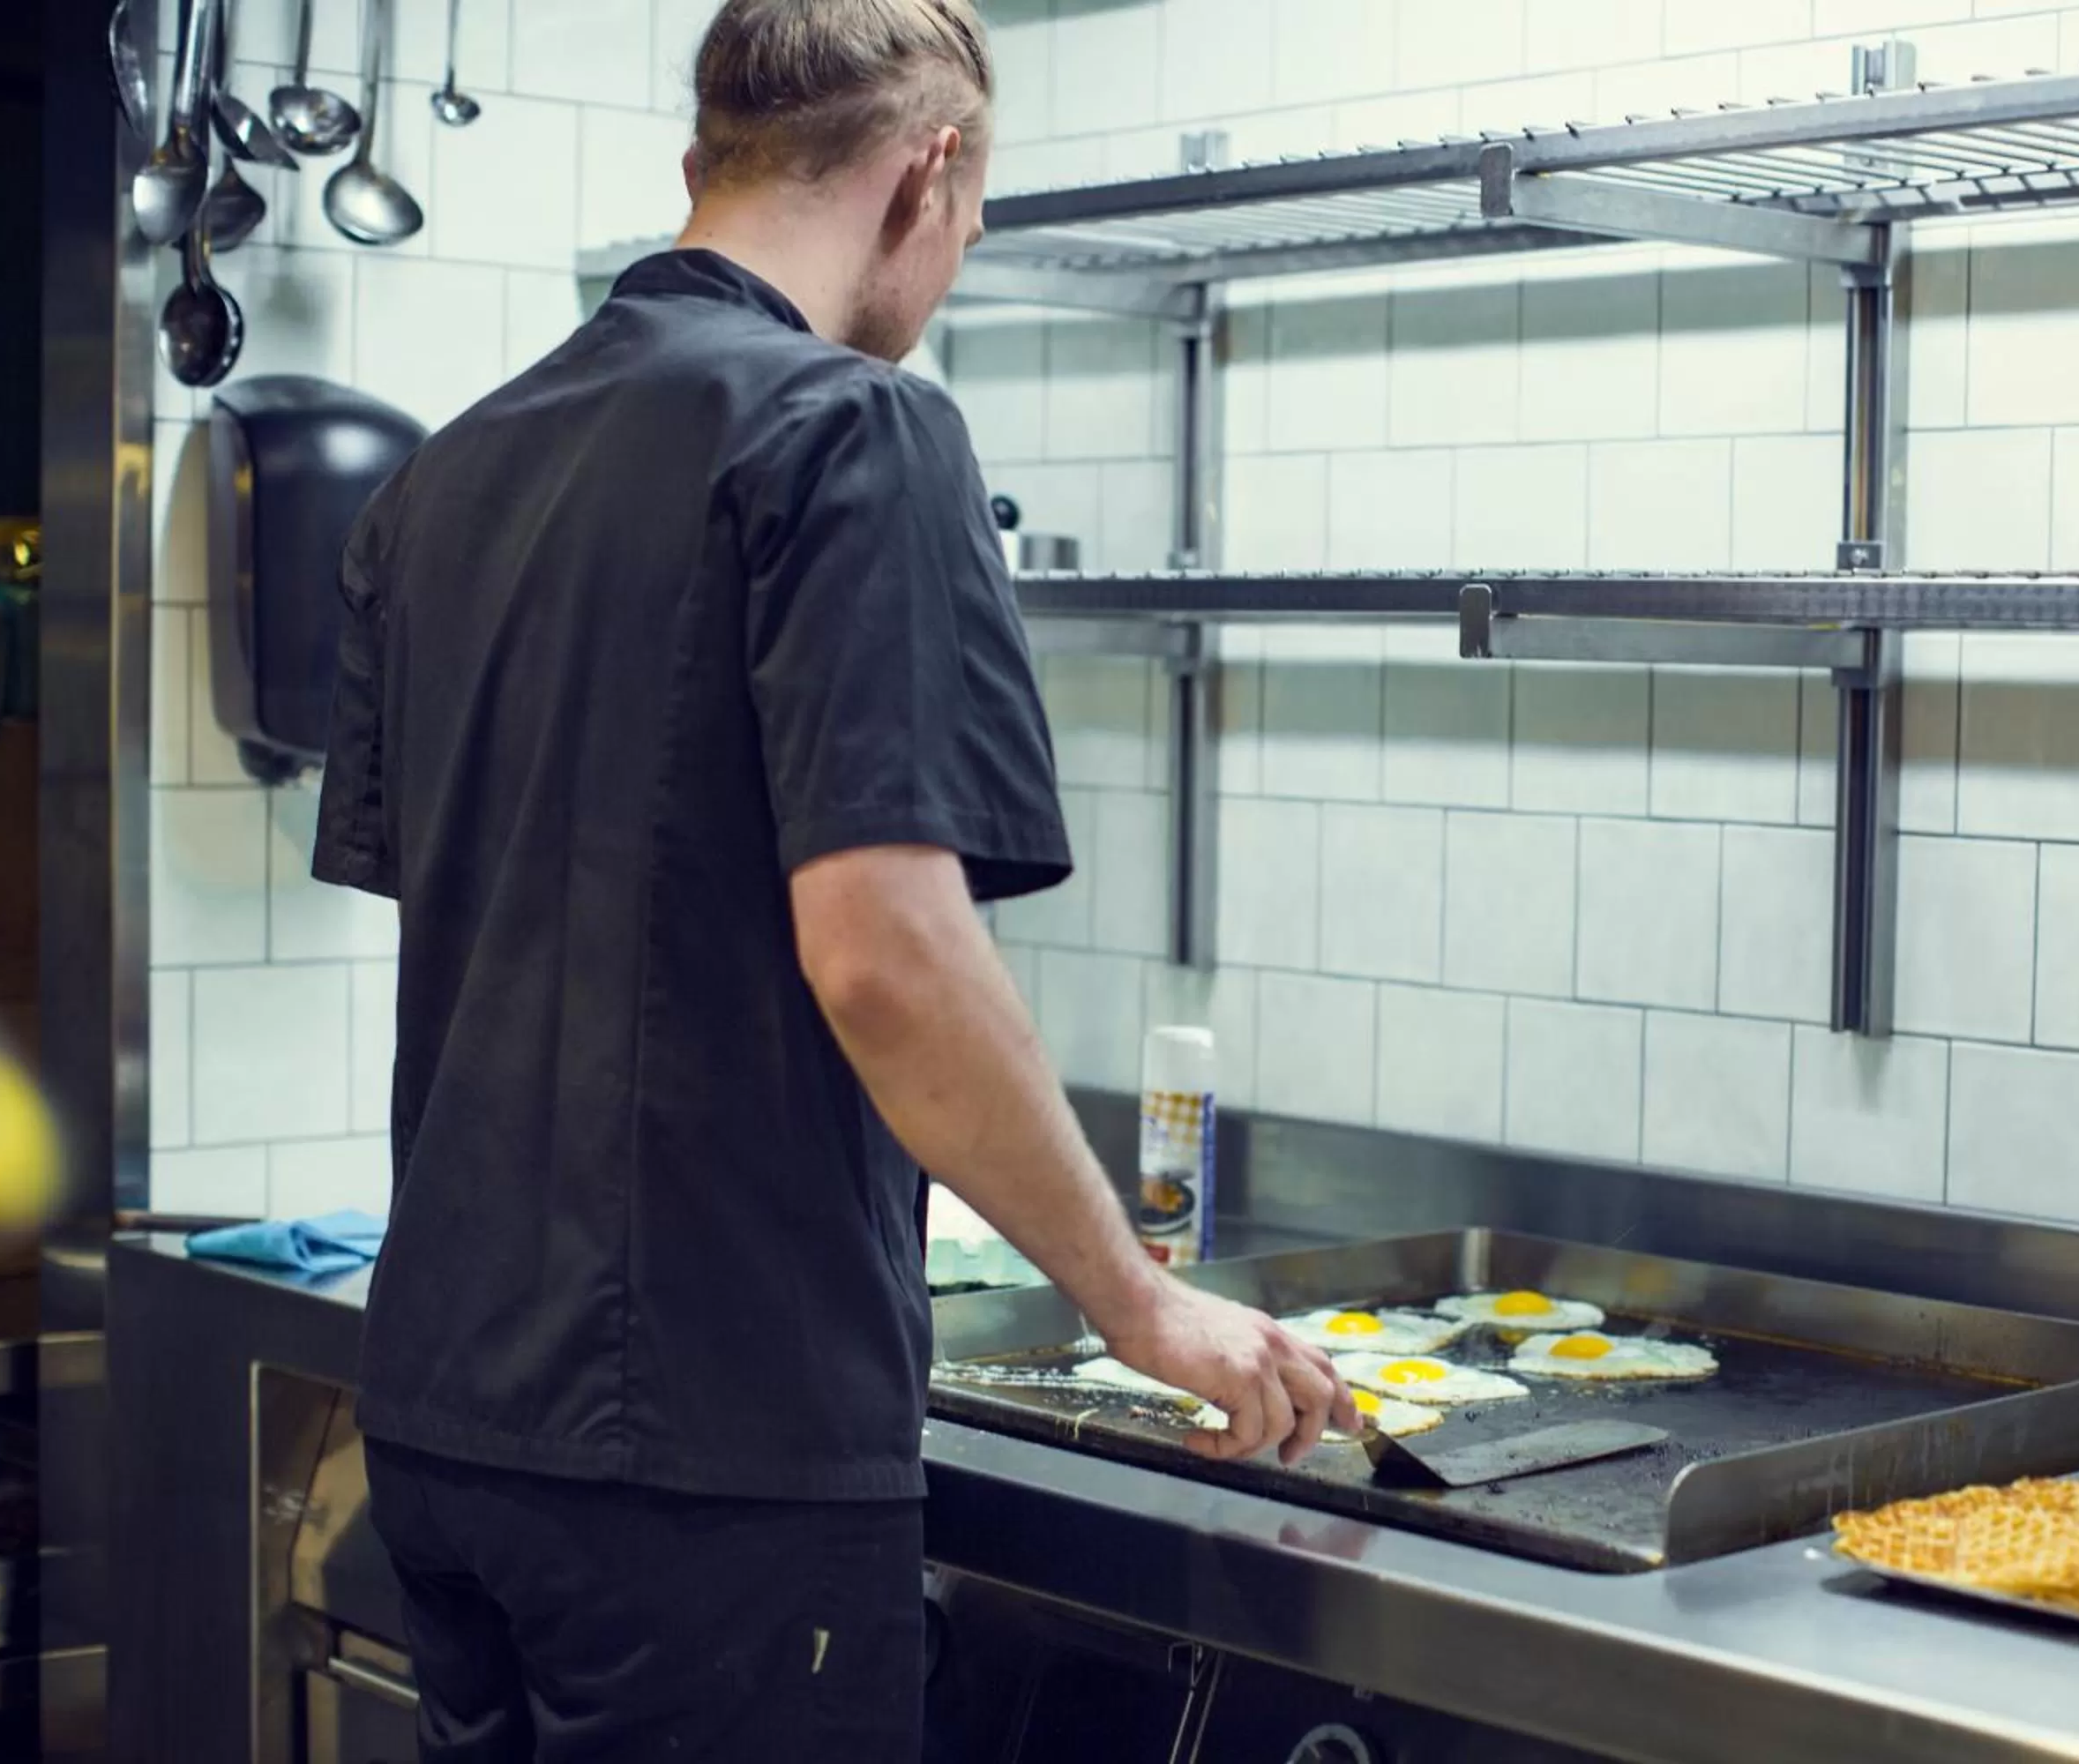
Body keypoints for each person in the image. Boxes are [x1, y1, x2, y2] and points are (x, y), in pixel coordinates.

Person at [310, 2, 1357, 1757]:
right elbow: (887, 957)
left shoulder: (450, 472)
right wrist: (1143, 1303)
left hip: (447, 1421)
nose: (951, 264)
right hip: (706, 1464)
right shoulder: (857, 431)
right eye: (971, 220)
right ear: (928, 175)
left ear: (701, 163)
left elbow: (515, 917)